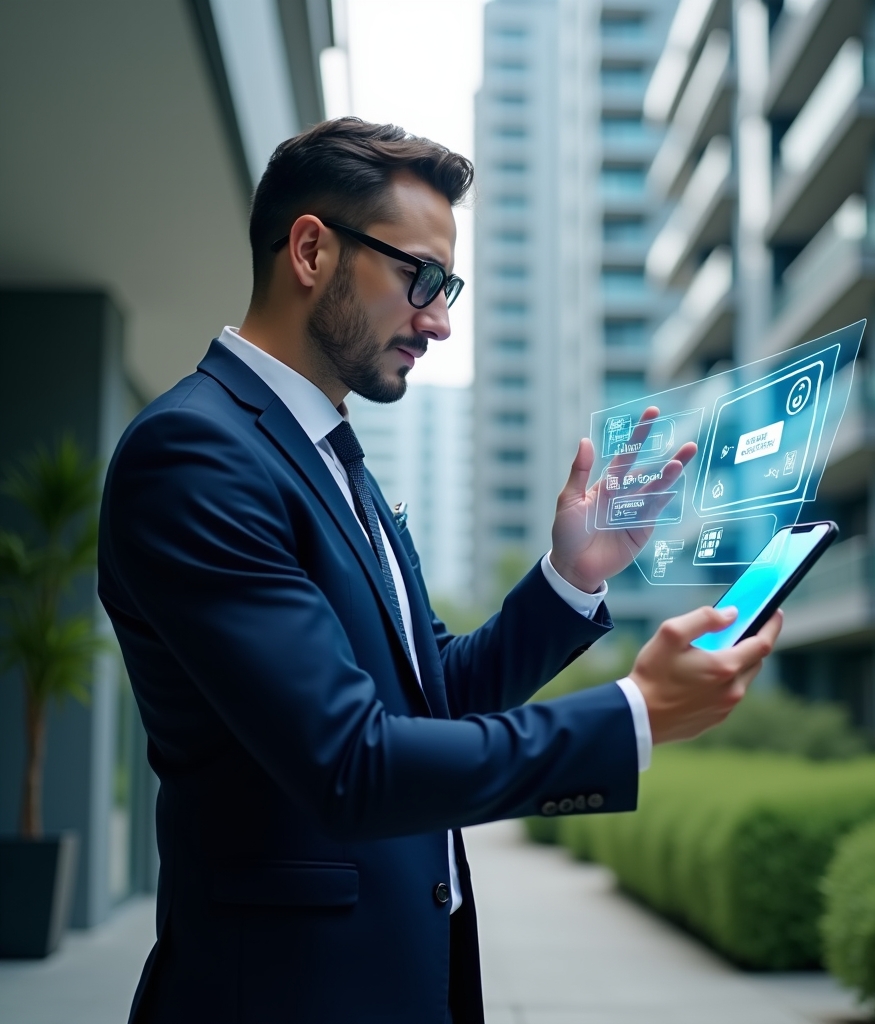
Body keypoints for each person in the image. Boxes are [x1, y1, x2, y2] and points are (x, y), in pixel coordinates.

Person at [98, 118, 781, 1024]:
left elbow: (426, 698)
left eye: (448, 285)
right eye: (422, 278)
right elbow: (352, 761)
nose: (442, 320)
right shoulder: (195, 455)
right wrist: (631, 717)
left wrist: (568, 580)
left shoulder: (337, 463)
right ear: (311, 250)